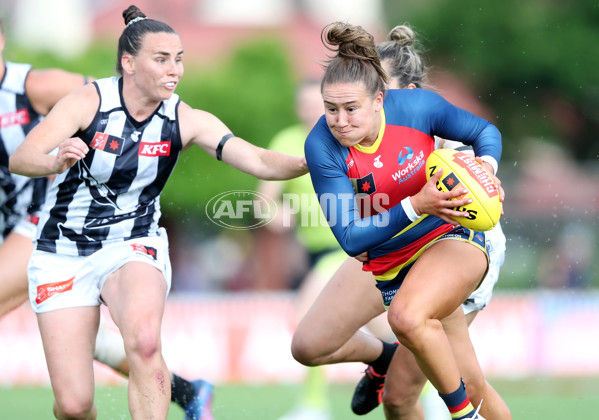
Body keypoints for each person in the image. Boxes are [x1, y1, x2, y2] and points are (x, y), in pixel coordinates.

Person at [9, 5, 307, 420]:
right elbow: (22, 157)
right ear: (129, 63)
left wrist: (311, 161)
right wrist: (55, 160)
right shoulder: (87, 102)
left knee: (146, 342)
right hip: (61, 252)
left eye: (179, 59)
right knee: (75, 406)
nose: (175, 70)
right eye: (162, 59)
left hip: (134, 243)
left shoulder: (184, 118)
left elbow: (256, 160)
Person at [0, 16, 214, 420]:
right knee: (76, 371)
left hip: (47, 218)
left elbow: (108, 100)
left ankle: (179, 388)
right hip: (11, 225)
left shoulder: (34, 86)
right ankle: (184, 389)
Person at [300, 21, 507, 420]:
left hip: (450, 236)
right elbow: (351, 236)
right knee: (310, 346)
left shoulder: (417, 108)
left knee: (419, 335)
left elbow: (484, 132)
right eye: (330, 109)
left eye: (351, 108)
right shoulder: (323, 143)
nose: (340, 121)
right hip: (387, 249)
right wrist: (415, 204)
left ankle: (465, 414)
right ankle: (384, 358)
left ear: (383, 98)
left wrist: (486, 169)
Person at [257, 79, 349, 420]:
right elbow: (262, 203)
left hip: (352, 248)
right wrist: (275, 215)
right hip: (316, 256)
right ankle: (425, 392)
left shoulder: (348, 137)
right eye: (305, 104)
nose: (311, 111)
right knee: (396, 331)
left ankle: (313, 406)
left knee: (307, 318)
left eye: (319, 104)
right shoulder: (286, 141)